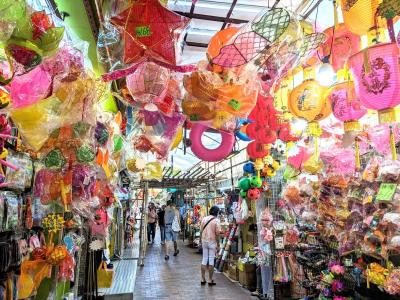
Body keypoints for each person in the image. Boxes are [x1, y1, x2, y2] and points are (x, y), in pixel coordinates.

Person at [200, 206, 221, 286]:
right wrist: (218, 245)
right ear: (217, 212)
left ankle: (202, 279)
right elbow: (217, 234)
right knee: (211, 260)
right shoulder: (216, 220)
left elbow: (201, 230)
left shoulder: (204, 219)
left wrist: (200, 241)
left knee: (204, 259)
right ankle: (210, 279)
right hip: (212, 241)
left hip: (204, 240)